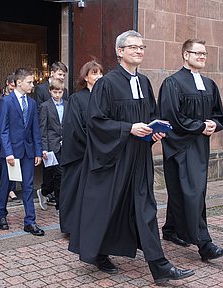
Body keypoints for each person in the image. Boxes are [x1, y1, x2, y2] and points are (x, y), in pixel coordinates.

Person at [68, 30, 194, 284]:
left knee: (146, 208)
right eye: (133, 47)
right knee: (109, 208)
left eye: (142, 47)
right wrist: (128, 129)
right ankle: (99, 253)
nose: (139, 51)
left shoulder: (144, 82)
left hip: (139, 156)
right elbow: (96, 121)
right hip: (114, 158)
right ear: (120, 52)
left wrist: (154, 132)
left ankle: (159, 267)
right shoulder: (106, 83)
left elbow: (150, 115)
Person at [158, 39, 223, 261]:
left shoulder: (209, 84)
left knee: (187, 191)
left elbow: (218, 114)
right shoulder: (172, 83)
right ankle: (204, 244)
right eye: (197, 53)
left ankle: (171, 229)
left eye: (204, 53)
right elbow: (171, 116)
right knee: (192, 193)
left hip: (200, 146)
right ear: (185, 55)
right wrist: (200, 126)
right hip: (180, 146)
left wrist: (213, 125)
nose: (201, 56)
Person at [0, 68, 44, 236]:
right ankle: (1, 215)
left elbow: (35, 130)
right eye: (30, 82)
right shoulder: (6, 101)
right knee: (6, 185)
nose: (33, 84)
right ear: (19, 83)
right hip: (11, 152)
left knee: (28, 186)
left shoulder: (31, 103)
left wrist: (38, 151)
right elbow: (3, 129)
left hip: (28, 151)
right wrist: (8, 152)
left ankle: (30, 221)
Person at [59, 60, 103, 233]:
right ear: (85, 77)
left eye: (100, 73)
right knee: (76, 191)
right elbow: (74, 128)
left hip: (100, 153)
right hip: (81, 153)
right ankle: (72, 227)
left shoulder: (104, 98)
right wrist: (92, 145)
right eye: (94, 73)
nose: (98, 76)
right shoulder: (77, 99)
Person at [34, 61, 69, 205]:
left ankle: (60, 201)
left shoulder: (66, 100)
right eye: (60, 74)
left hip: (63, 142)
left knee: (60, 171)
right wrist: (43, 147)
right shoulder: (43, 97)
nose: (58, 94)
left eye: (60, 92)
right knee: (50, 172)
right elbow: (42, 123)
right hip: (50, 141)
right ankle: (45, 192)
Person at [0, 74, 19, 202]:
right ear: (7, 83)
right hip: (0, 130)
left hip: (14, 132)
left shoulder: (17, 98)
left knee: (13, 160)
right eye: (11, 87)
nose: (13, 91)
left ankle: (11, 189)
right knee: (0, 160)